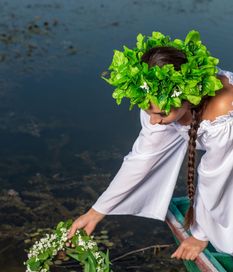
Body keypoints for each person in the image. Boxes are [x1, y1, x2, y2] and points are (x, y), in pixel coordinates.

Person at [68, 30, 233, 260]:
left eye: (162, 114)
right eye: (148, 111)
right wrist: (96, 212)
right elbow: (141, 160)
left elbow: (215, 180)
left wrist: (200, 234)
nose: (154, 121)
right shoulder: (156, 97)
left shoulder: (222, 112)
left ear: (190, 98)